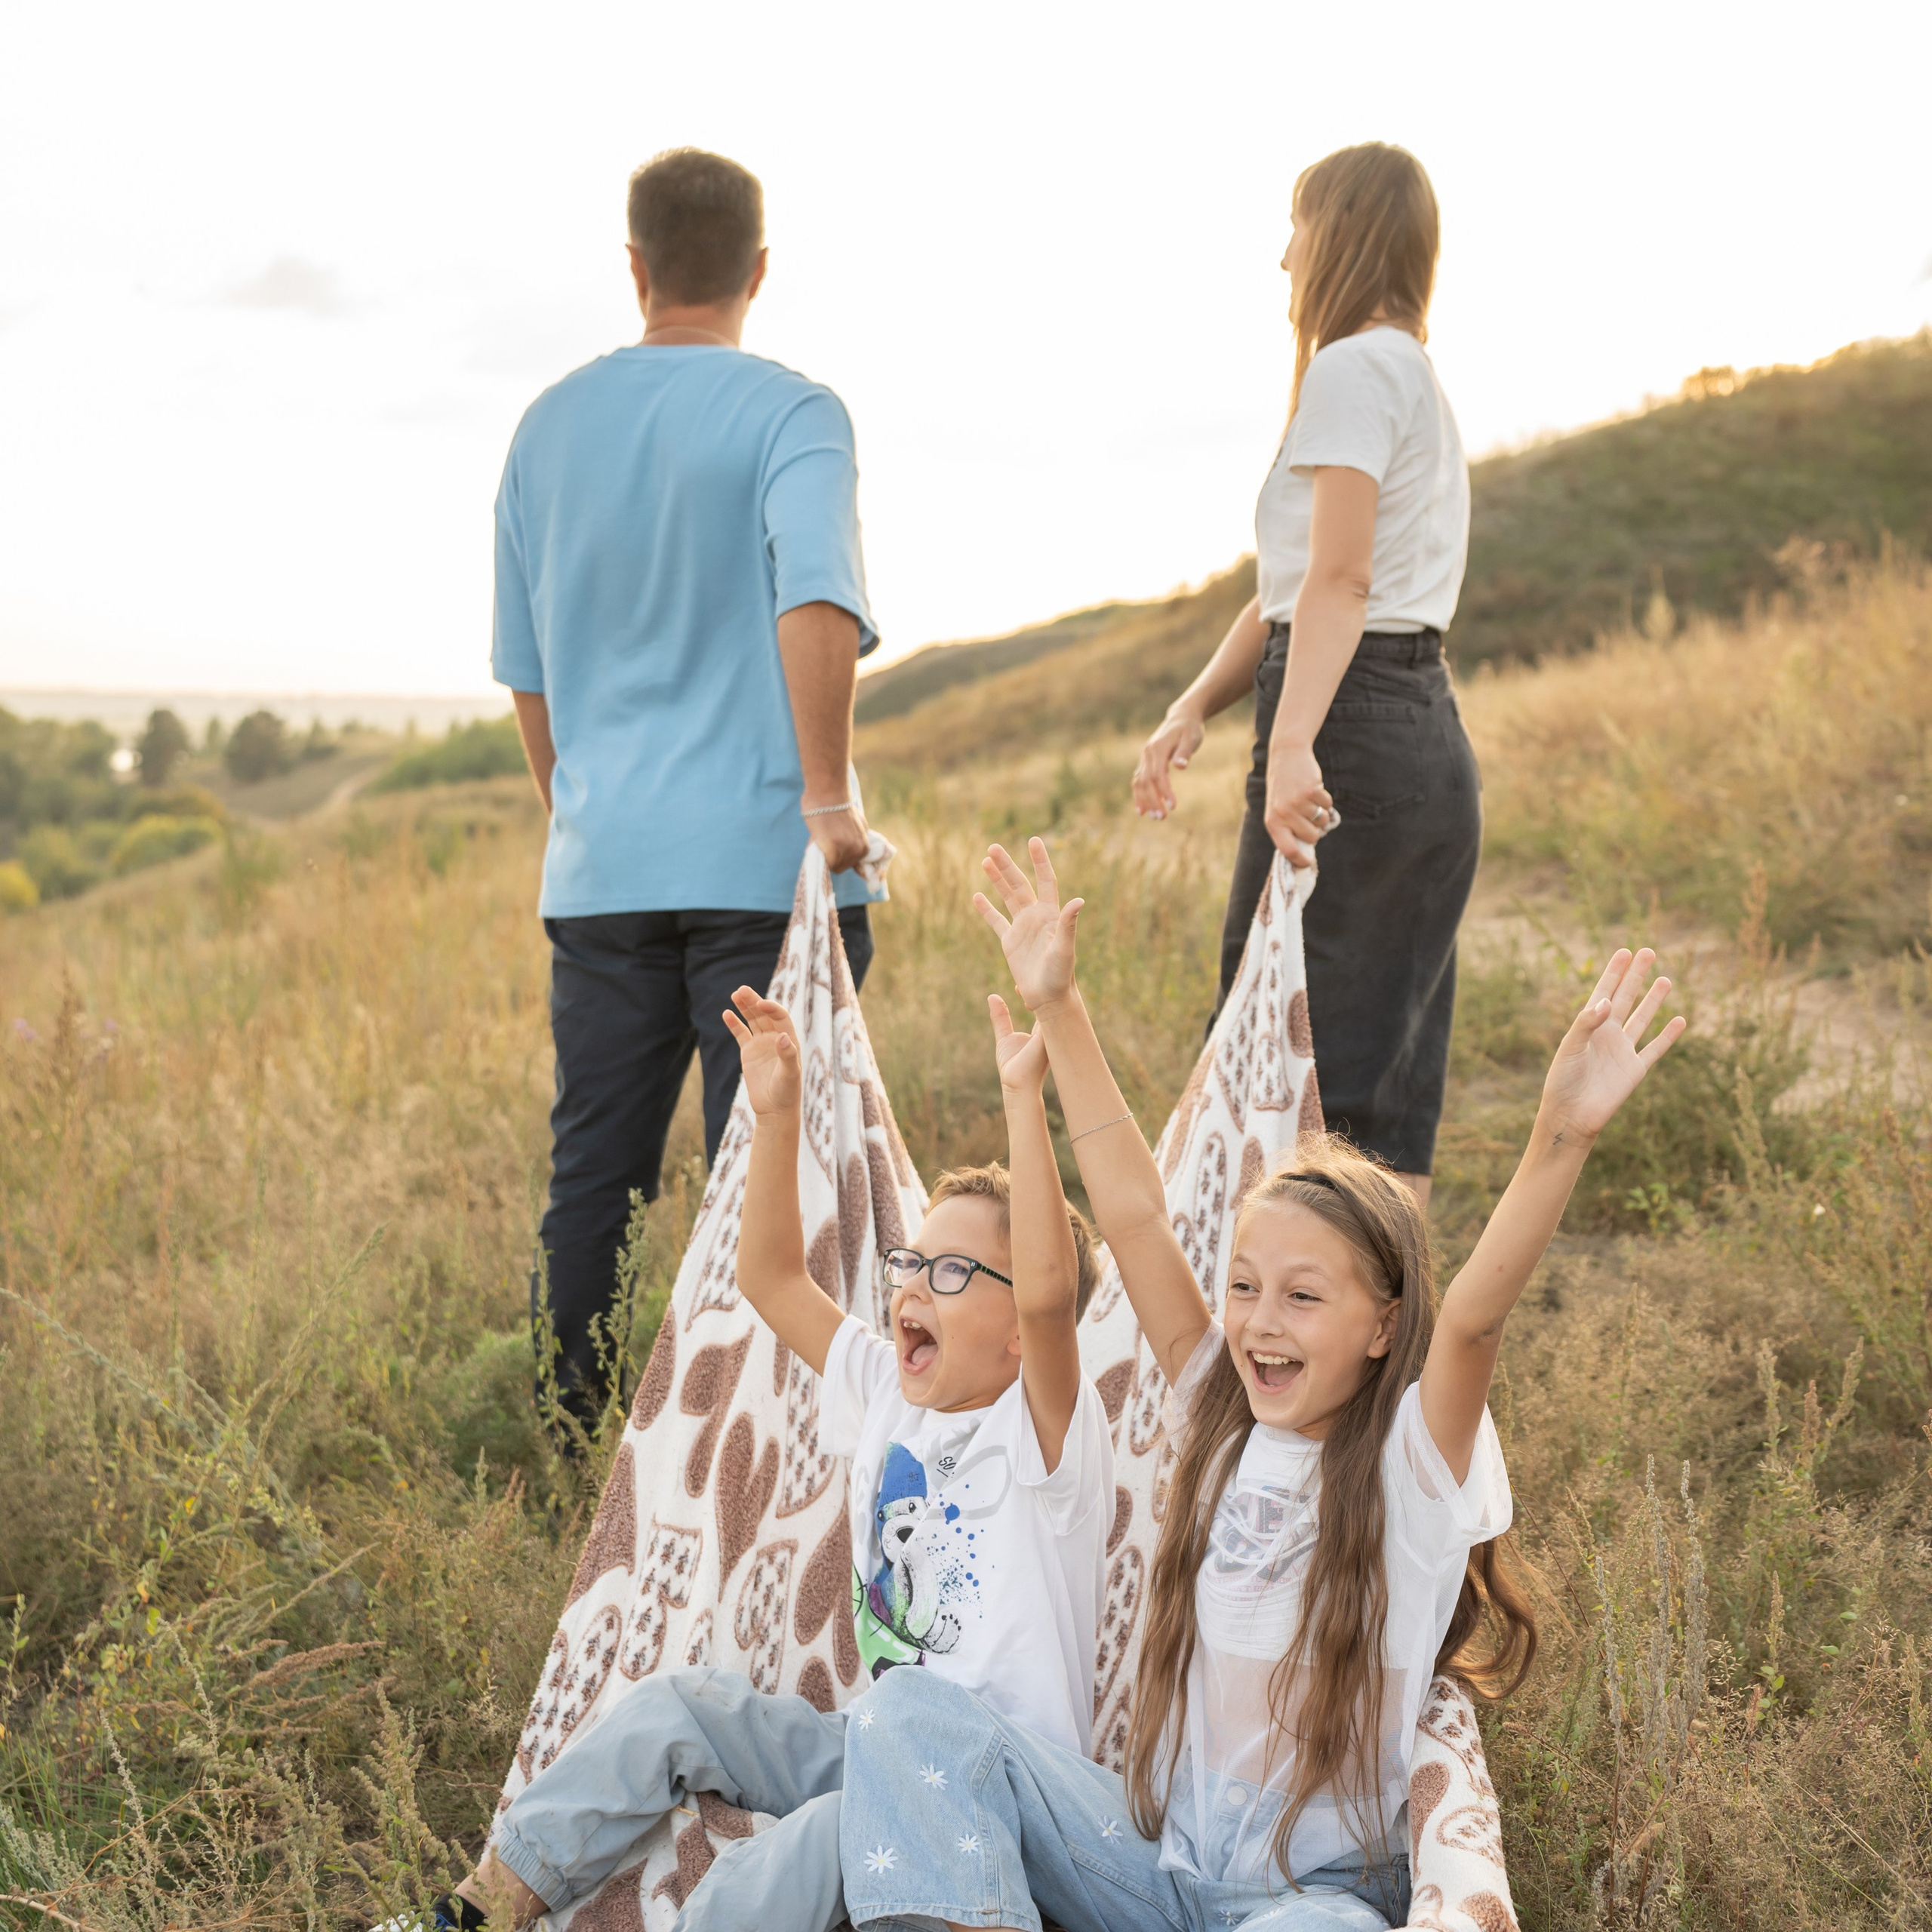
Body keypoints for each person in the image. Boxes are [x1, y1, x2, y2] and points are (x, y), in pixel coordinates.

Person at [837, 838, 1686, 1932]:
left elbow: (1473, 1316)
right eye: (1243, 1286)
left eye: (1301, 1297)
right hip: (1160, 1879)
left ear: (1385, 1325)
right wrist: (1061, 1008)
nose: (1258, 1323)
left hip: (1316, 1901)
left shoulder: (1411, 1467)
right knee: (904, 1718)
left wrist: (1560, 1138)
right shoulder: (1225, 1420)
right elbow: (1137, 1212)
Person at [418, 980, 1115, 1932]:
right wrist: (776, 1111)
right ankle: (478, 1910)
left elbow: (1044, 1289)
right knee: (684, 1706)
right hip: (871, 1742)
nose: (914, 1283)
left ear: (1023, 1335)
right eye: (910, 1262)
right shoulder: (886, 1390)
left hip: (996, 1792)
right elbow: (772, 1277)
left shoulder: (1044, 1438)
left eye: (953, 1273)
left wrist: (1023, 1101)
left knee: (834, 1830)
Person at [491, 147, 884, 1429]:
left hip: (604, 872)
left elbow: (529, 675)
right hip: (766, 864)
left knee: (592, 1179)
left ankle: (576, 1438)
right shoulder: (794, 415)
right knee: (771, 1177)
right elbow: (816, 593)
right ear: (758, 271)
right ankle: (750, 1444)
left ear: (637, 266)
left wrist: (586, 817)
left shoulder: (544, 428)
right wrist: (829, 805)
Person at [1131, 143, 1475, 1207]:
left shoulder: (1354, 367)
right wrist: (1195, 704)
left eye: (1300, 226)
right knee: (1380, 1089)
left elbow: (1340, 581)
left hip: (1352, 725)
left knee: (1278, 1068)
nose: (1285, 258)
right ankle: (1385, 1359)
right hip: (1409, 725)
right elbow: (1292, 589)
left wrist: (1290, 744)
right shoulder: (1404, 372)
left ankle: (1263, 1351)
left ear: (1343, 234)